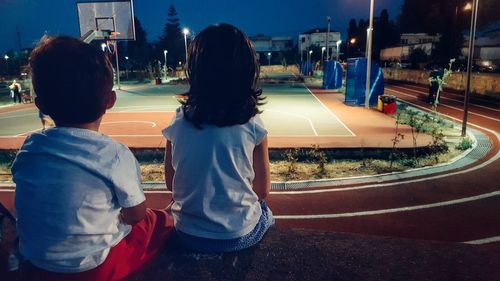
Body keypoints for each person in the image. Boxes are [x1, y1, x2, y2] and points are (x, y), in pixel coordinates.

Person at [11, 36, 173, 281]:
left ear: (41, 105)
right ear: (110, 100)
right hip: (93, 270)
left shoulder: (29, 149)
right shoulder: (114, 154)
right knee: (155, 221)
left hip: (33, 267)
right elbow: (136, 214)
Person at [163, 24, 274, 253]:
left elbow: (170, 183)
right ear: (248, 71)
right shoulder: (253, 123)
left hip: (186, 233)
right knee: (265, 212)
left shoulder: (178, 121)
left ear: (195, 71)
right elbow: (262, 191)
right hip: (239, 236)